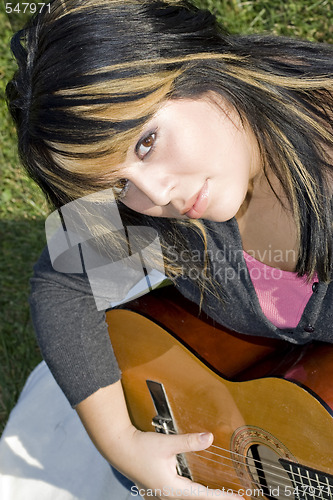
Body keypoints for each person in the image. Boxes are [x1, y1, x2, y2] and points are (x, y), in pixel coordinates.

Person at [6, 0, 332, 498]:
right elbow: (63, 282)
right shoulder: (164, 207)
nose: (155, 197)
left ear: (195, 64)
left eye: (146, 142)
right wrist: (121, 443)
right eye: (116, 185)